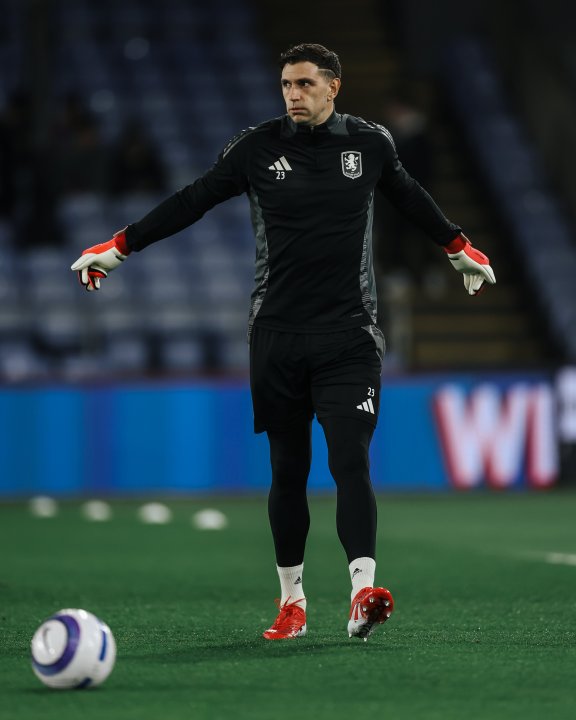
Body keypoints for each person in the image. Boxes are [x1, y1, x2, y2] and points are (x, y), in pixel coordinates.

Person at [70, 43, 496, 641]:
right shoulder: (256, 148)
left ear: (333, 87)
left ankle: (362, 592)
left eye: (304, 84)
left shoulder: (370, 144)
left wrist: (457, 247)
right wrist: (120, 246)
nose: (293, 95)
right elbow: (193, 200)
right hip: (276, 336)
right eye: (286, 85)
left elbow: (408, 195)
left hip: (350, 335)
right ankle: (292, 602)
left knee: (350, 459)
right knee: (288, 470)